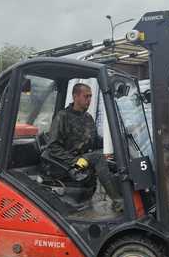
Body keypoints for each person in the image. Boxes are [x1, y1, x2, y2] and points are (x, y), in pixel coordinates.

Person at [47, 83, 123, 212]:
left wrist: (115, 143)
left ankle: (126, 195)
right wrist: (73, 161)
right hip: (69, 162)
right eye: (86, 96)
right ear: (75, 96)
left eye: (90, 97)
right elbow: (53, 146)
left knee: (114, 155)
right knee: (99, 157)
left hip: (85, 158)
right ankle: (118, 201)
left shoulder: (87, 117)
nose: (89, 100)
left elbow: (94, 141)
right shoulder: (62, 117)